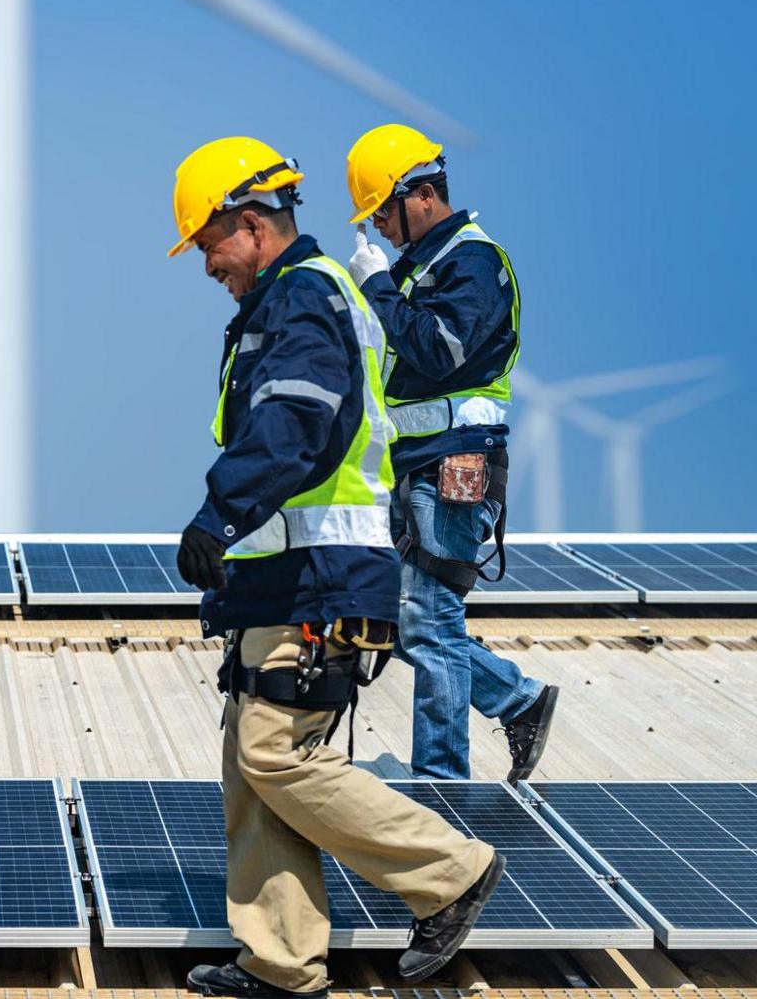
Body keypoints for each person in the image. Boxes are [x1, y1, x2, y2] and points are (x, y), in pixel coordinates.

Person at [169, 137, 505, 998]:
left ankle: (450, 869)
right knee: (253, 760)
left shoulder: (305, 300)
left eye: (208, 244)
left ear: (250, 223)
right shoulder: (289, 301)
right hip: (280, 581)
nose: (207, 265)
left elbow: (293, 423)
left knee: (280, 755)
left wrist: (220, 512)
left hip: (320, 578)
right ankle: (281, 959)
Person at [345, 124, 558, 781]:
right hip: (419, 464)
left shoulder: (472, 261)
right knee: (404, 622)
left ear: (425, 195)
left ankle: (441, 785)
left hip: (458, 462)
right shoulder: (421, 269)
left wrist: (378, 290)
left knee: (430, 624)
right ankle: (517, 699)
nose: (378, 224)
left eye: (383, 207)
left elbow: (439, 349)